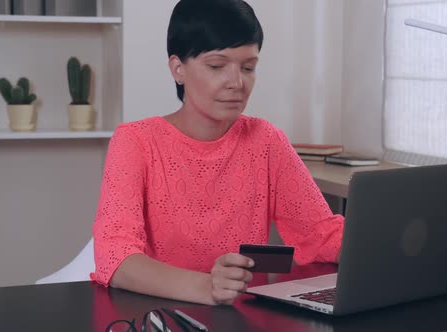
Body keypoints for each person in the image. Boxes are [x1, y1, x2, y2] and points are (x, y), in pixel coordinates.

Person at [91, 0, 344, 306]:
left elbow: (319, 234)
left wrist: (389, 243)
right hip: (158, 313)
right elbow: (115, 257)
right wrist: (206, 287)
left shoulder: (266, 140)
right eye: (216, 66)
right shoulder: (135, 141)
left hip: (238, 315)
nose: (237, 83)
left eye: (248, 67)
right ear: (178, 68)